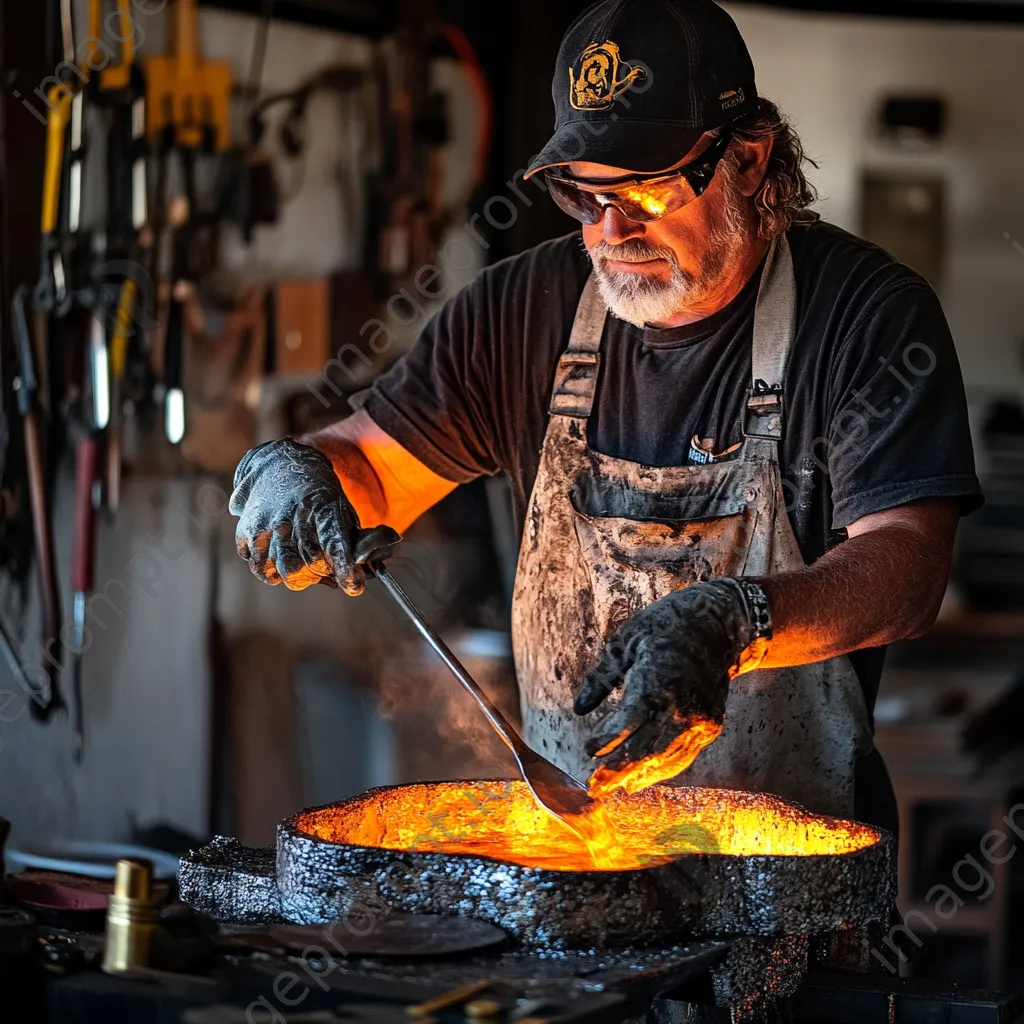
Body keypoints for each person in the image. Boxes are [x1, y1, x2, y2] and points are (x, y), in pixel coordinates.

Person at [229, 0, 982, 831]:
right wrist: (303, 476)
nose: (611, 230)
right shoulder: (520, 312)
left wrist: (738, 620)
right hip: (578, 864)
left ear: (750, 159)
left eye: (647, 191)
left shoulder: (867, 317)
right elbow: (372, 470)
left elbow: (908, 569)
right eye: (582, 196)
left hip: (783, 876)